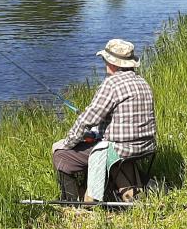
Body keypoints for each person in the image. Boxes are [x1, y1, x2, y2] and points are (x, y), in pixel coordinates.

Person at [52, 39, 156, 202]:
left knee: (61, 156)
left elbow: (87, 119)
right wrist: (96, 133)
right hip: (146, 147)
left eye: (105, 60)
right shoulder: (142, 82)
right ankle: (108, 188)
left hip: (121, 150)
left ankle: (73, 203)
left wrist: (67, 143)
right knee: (90, 141)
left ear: (111, 63)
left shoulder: (112, 84)